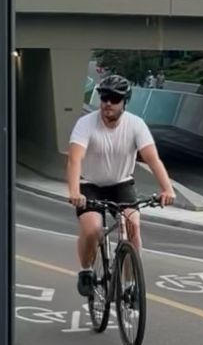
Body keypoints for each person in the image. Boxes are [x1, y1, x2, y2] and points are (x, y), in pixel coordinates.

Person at [67, 74, 175, 297]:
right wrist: (75, 191)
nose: (108, 103)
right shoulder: (85, 124)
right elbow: (75, 159)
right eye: (104, 97)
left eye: (114, 99)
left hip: (121, 182)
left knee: (133, 225)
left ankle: (130, 284)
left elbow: (152, 159)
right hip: (90, 184)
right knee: (93, 228)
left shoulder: (136, 125)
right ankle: (86, 271)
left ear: (125, 102)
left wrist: (167, 188)